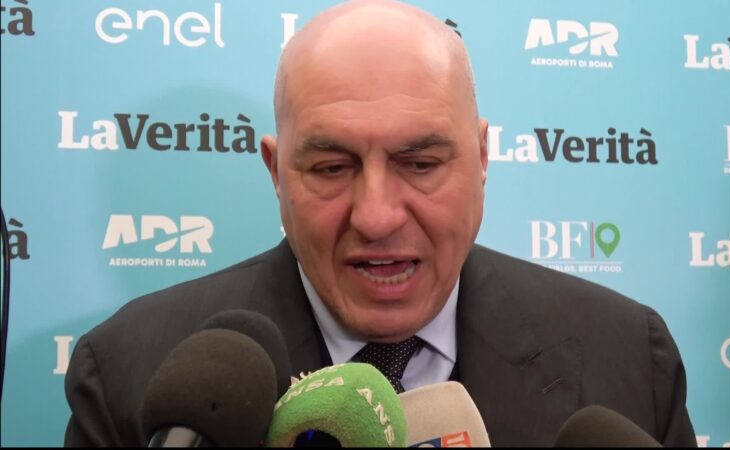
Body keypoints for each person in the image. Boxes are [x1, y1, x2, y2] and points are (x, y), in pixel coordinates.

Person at [64, 0, 696, 446]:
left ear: (482, 159)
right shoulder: (126, 374)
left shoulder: (629, 360)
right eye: (332, 167)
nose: (376, 216)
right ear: (276, 172)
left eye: (420, 164)